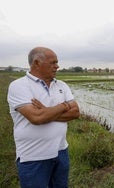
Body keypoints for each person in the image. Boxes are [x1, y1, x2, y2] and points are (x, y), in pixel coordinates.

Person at [7, 47, 80, 188]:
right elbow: (36, 118)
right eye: (53, 62)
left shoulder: (61, 85)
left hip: (61, 152)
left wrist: (46, 111)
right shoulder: (19, 86)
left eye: (57, 62)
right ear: (36, 63)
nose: (57, 66)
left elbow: (76, 112)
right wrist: (64, 106)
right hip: (33, 157)